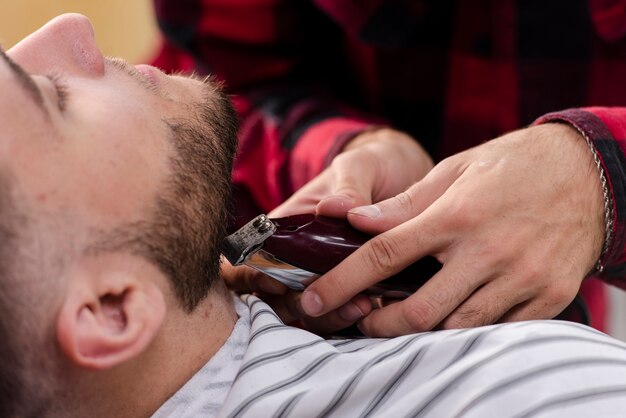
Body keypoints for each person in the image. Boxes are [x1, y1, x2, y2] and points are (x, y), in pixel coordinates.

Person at [5, 12, 626, 418]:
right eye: (51, 99)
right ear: (112, 308)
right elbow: (222, 73)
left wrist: (347, 148)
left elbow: (205, 88)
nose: (74, 27)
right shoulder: (548, 390)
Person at [153, 0, 626, 335]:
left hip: (556, 295)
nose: (82, 31)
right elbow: (228, 79)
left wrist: (600, 176)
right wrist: (348, 145)